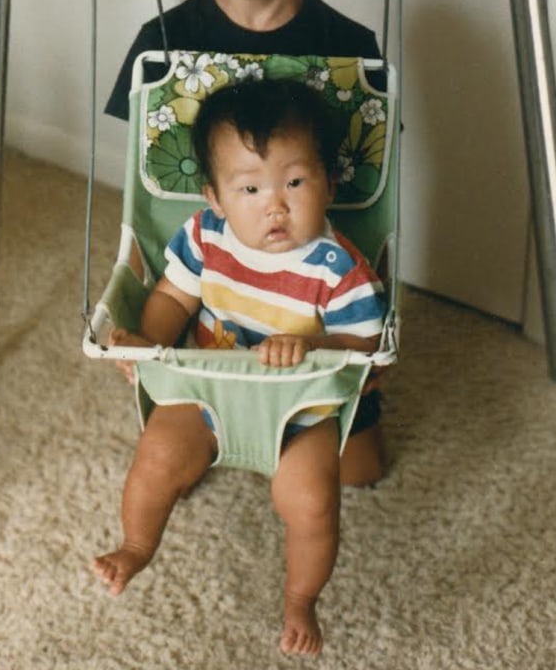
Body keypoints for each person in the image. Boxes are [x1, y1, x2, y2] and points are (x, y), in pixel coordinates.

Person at [105, 0, 387, 488]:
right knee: (177, 446)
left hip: (312, 301)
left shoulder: (352, 49)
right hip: (217, 300)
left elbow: (362, 203)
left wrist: (347, 339)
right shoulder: (159, 44)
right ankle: (214, 412)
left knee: (357, 473)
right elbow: (151, 206)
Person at [93, 79, 387, 657]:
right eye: (250, 188)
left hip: (300, 409)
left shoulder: (337, 267)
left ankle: (301, 598)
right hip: (208, 389)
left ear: (328, 182)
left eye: (295, 182)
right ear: (216, 197)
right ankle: (135, 545)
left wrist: (315, 343)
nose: (275, 205)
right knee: (156, 455)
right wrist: (146, 346)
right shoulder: (205, 238)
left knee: (312, 501)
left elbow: (364, 345)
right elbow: (174, 299)